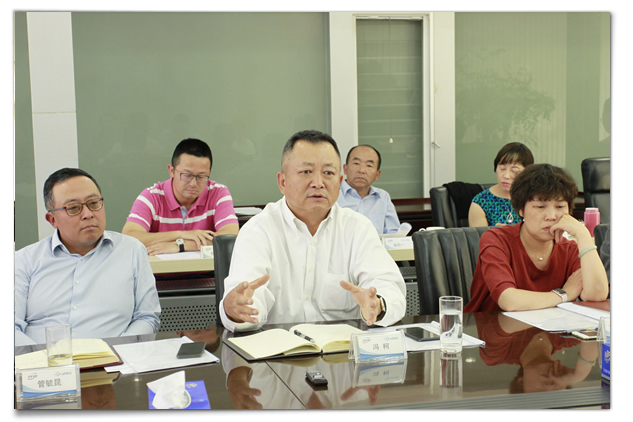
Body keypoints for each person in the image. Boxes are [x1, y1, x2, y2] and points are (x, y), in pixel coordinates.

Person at [219, 130, 406, 332]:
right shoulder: (258, 230)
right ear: (282, 182)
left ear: (339, 181)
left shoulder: (358, 228)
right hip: (278, 348)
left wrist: (378, 305)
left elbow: (390, 289)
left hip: (342, 348)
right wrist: (238, 310)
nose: (318, 183)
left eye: (328, 173)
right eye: (306, 172)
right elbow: (245, 298)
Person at [15, 168, 161, 346]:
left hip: (115, 359)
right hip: (45, 361)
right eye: (73, 208)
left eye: (93, 203)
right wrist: (41, 358)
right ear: (52, 220)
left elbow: (147, 317)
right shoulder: (24, 261)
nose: (88, 214)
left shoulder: (131, 251)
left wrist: (119, 352)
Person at [464, 164, 609, 313]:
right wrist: (564, 295)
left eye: (560, 207)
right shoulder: (496, 240)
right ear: (521, 210)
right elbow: (509, 301)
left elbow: (597, 295)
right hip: (490, 325)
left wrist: (583, 234)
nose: (551, 216)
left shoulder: (569, 248)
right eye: (540, 207)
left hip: (548, 326)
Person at [123, 138, 239, 255]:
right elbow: (129, 238)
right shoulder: (152, 197)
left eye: (201, 176)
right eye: (187, 175)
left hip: (205, 267)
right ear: (171, 171)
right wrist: (181, 234)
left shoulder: (218, 193)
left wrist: (181, 245)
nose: (193, 183)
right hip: (160, 267)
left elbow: (230, 237)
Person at [337, 145, 400, 234]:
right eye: (356, 163)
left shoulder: (383, 197)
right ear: (345, 169)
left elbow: (393, 234)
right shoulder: (333, 194)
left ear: (377, 174)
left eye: (369, 165)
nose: (362, 170)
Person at [469, 142, 534, 227]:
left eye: (514, 171)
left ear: (526, 173)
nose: (506, 176)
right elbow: (478, 235)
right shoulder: (481, 202)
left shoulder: (533, 198)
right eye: (502, 168)